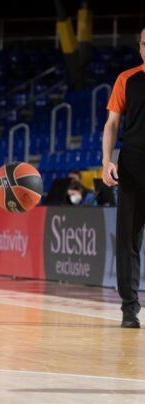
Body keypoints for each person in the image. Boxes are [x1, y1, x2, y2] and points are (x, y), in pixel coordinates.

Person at [102, 27, 145, 329]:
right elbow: (112, 124)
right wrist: (106, 161)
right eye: (144, 43)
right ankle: (129, 308)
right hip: (132, 164)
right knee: (128, 240)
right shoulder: (126, 79)